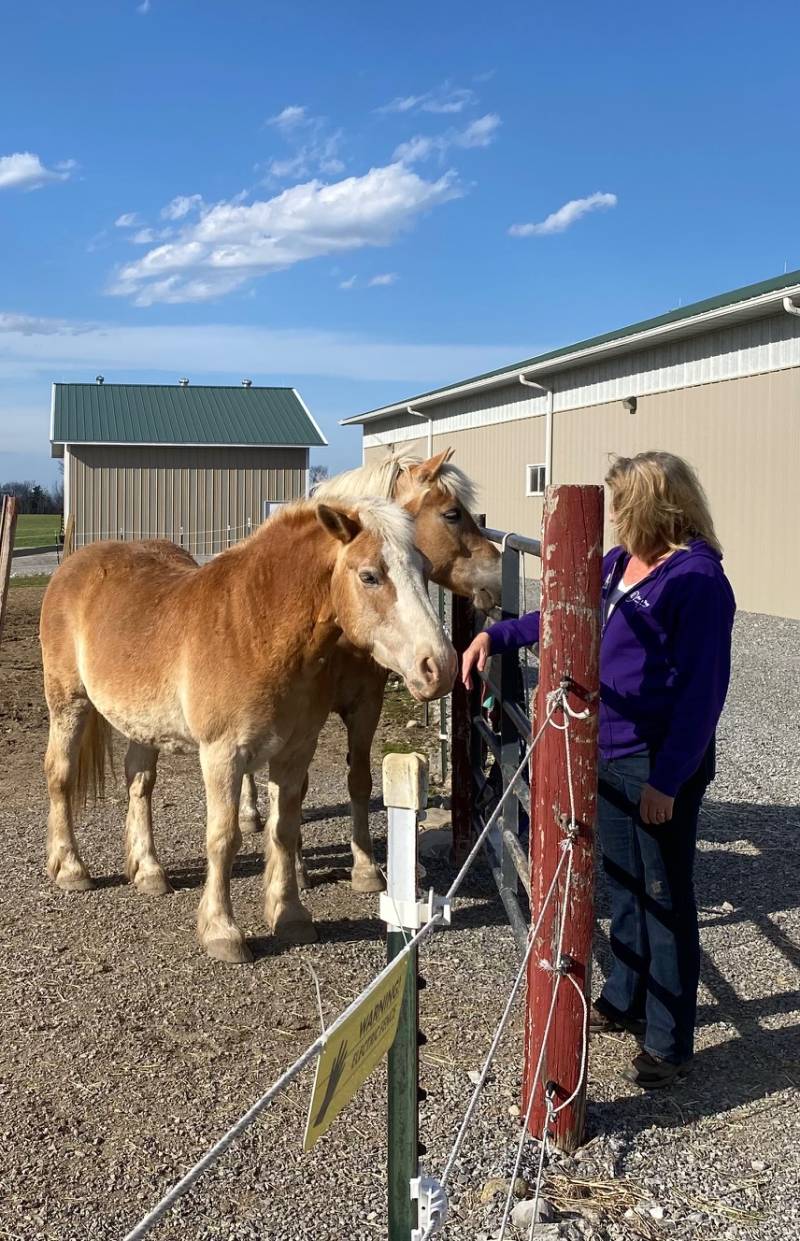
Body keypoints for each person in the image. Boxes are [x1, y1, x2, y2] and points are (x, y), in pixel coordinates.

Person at [461, 452, 736, 1089]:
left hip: (655, 759)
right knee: (625, 883)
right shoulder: (618, 566)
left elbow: (702, 694)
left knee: (666, 895)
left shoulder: (696, 581)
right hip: (606, 750)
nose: (612, 518)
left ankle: (669, 1040)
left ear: (651, 507)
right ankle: (626, 991)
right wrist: (494, 638)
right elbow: (560, 615)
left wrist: (667, 780)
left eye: (620, 506)